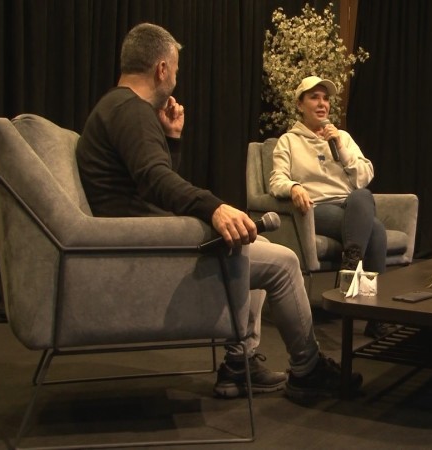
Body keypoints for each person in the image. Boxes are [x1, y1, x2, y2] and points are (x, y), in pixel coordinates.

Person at [76, 23, 361, 400]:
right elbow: (155, 181)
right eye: (175, 70)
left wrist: (172, 140)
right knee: (284, 262)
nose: (175, 79)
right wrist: (213, 208)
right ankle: (307, 369)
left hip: (145, 237)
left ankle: (240, 364)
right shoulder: (132, 111)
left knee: (252, 241)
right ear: (161, 68)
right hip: (150, 250)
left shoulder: (116, 107)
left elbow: (148, 184)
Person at [269, 76, 393, 339]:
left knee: (362, 196)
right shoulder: (288, 141)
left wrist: (341, 148)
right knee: (376, 230)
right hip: (317, 207)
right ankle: (375, 317)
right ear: (300, 104)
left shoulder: (342, 137)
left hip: (350, 205)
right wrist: (293, 187)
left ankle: (351, 262)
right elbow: (276, 180)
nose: (322, 103)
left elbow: (364, 176)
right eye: (314, 97)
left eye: (325, 98)